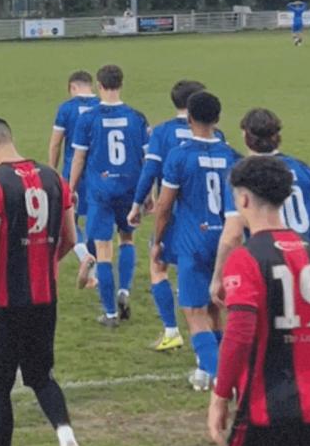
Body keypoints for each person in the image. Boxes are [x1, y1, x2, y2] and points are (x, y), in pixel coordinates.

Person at [0, 118, 85, 446]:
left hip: (5, 303)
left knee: (0, 387)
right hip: (44, 299)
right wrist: (45, 263)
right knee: (41, 377)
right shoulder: (54, 178)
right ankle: (67, 437)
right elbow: (69, 237)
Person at [209, 155, 310, 446]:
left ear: (244, 198)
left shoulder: (245, 259)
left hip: (267, 410)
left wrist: (220, 395)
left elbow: (239, 333)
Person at [151, 91, 240, 391]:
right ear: (218, 119)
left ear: (189, 118)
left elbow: (164, 207)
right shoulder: (233, 156)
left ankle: (222, 380)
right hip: (228, 239)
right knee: (218, 307)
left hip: (193, 242)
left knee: (194, 312)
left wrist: (158, 240)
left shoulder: (180, 155)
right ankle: (208, 370)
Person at [127, 80, 220, 352]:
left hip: (175, 216)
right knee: (210, 280)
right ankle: (214, 345)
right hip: (210, 219)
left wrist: (138, 203)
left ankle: (171, 331)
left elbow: (150, 170)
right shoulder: (218, 135)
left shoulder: (163, 132)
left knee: (158, 266)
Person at [210, 108, 310, 306]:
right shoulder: (305, 169)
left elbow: (233, 233)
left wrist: (218, 277)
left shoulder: (242, 174)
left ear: (246, 136)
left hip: (267, 262)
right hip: (307, 261)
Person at [69, 64, 148, 327]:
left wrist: (71, 188)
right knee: (127, 238)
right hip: (130, 187)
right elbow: (147, 158)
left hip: (101, 190)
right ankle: (124, 290)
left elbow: (79, 157)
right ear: (121, 84)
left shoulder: (88, 118)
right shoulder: (137, 117)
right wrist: (148, 192)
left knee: (103, 248)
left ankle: (110, 314)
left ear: (100, 86)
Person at [48, 70, 100, 287]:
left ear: (72, 87)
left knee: (69, 219)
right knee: (96, 222)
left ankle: (83, 257)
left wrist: (52, 169)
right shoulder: (102, 106)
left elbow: (56, 143)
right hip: (99, 173)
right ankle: (93, 274)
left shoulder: (66, 108)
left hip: (73, 172)